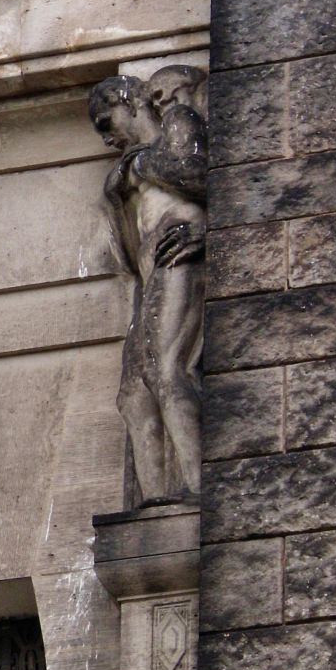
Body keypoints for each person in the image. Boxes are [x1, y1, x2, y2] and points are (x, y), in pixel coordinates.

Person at [89, 73, 205, 504]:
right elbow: (123, 249)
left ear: (131, 101)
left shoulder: (179, 124)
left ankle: (196, 486)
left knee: (165, 370)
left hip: (179, 255)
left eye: (106, 122)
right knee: (132, 396)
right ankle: (154, 502)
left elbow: (202, 173)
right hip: (151, 271)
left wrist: (141, 165)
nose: (105, 137)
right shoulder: (125, 170)